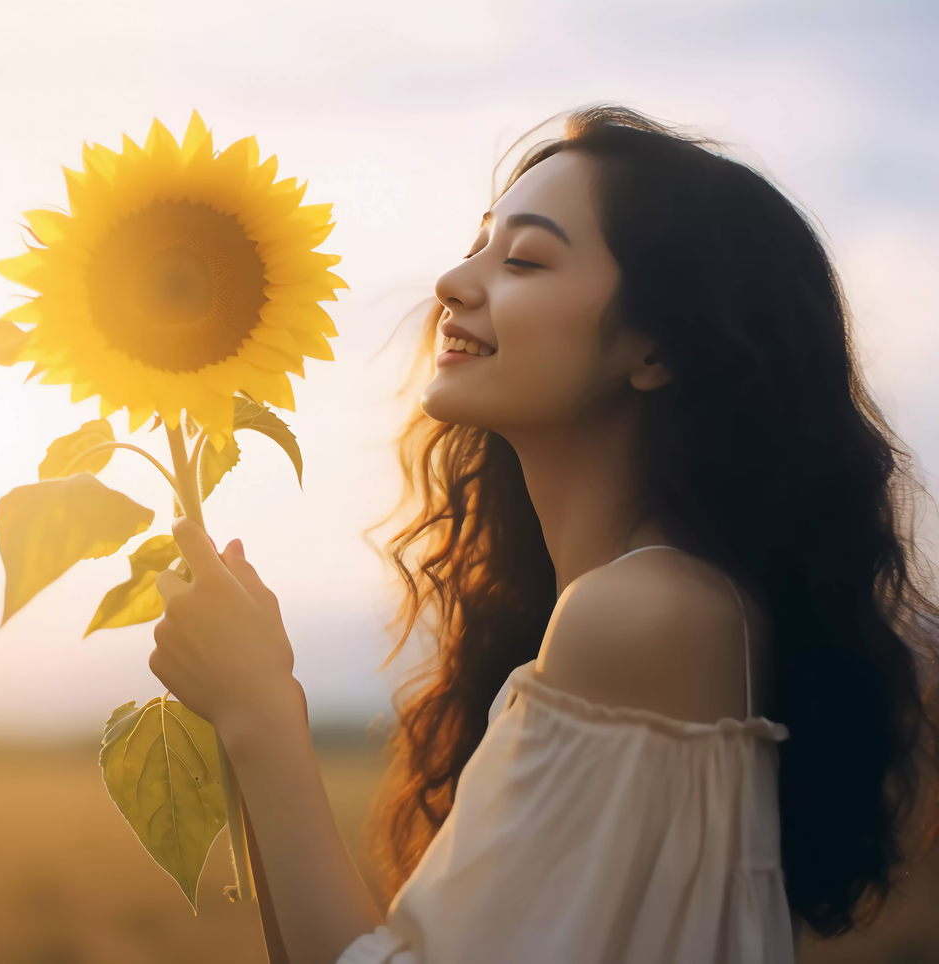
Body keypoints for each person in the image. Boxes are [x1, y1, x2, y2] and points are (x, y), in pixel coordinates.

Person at [148, 105, 939, 964]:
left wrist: (260, 709)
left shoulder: (646, 613)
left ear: (655, 348)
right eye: (478, 244)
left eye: (524, 258)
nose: (453, 279)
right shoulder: (664, 603)